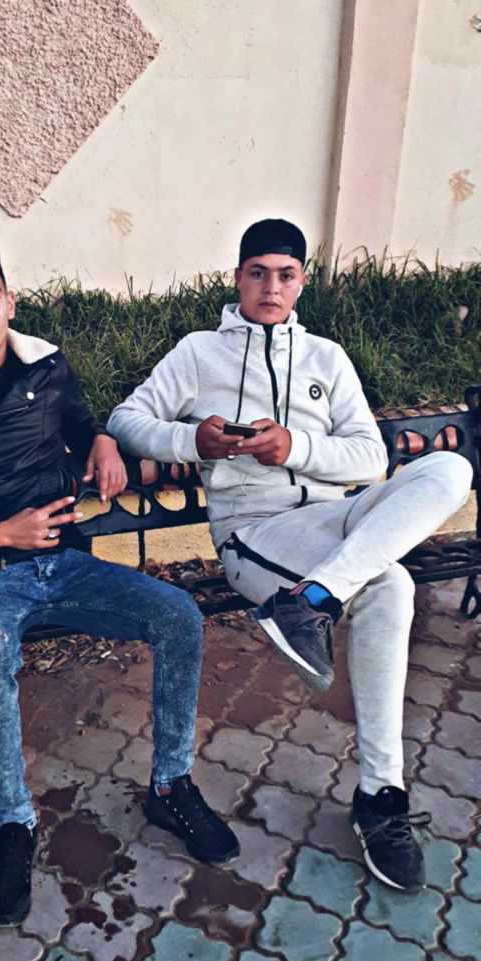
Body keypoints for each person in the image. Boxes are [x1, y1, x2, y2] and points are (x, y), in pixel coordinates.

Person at [107, 218, 473, 892]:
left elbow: (368, 456)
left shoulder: (326, 357)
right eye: (258, 273)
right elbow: (127, 419)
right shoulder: (199, 353)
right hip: (257, 530)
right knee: (390, 584)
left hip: (333, 515)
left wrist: (294, 448)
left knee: (450, 469)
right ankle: (382, 793)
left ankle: (312, 601)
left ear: (302, 282)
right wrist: (195, 441)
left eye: (285, 275)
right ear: (238, 278)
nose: (271, 287)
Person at [0, 243, 239, 926]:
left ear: (9, 301)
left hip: (66, 563)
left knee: (179, 615)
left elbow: (79, 424)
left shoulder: (46, 368)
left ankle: (170, 785)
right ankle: (15, 824)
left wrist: (101, 441)